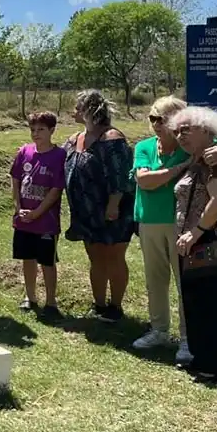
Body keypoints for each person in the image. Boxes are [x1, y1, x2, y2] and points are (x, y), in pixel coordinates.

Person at [131, 96, 217, 363]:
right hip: (148, 221)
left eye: (164, 119)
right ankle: (159, 330)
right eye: (153, 118)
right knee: (155, 280)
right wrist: (180, 168)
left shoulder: (191, 145)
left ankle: (186, 339)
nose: (158, 124)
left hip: (179, 224)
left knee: (186, 284)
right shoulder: (146, 147)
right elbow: (144, 181)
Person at [172, 106, 217, 383]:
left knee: (209, 303)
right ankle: (201, 358)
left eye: (186, 130)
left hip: (209, 241)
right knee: (195, 300)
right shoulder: (197, 158)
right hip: (193, 241)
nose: (180, 136)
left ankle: (214, 364)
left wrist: (195, 232)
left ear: (205, 130)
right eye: (177, 131)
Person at [63, 90, 136, 322]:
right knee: (95, 258)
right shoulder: (75, 139)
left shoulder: (112, 139)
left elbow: (121, 176)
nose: (73, 111)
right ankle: (99, 304)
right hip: (86, 211)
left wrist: (113, 204)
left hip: (113, 210)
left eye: (77, 107)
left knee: (114, 256)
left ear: (88, 110)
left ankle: (115, 307)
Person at [9, 112, 67, 318]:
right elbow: (15, 179)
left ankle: (51, 302)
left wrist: (37, 212)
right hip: (24, 219)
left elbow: (56, 189)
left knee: (47, 261)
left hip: (46, 221)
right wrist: (18, 208)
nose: (36, 134)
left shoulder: (59, 155)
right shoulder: (24, 151)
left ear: (52, 130)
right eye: (32, 130)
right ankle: (30, 297)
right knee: (27, 258)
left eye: (41, 129)